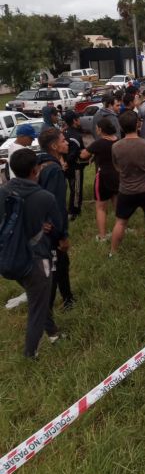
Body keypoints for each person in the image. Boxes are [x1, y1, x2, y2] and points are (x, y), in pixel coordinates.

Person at [0, 148, 63, 359]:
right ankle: (30, 354)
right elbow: (58, 226)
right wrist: (52, 231)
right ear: (36, 170)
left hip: (8, 257)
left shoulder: (3, 191)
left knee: (39, 297)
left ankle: (53, 333)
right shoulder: (44, 197)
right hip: (35, 258)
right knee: (37, 306)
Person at [110, 110, 145, 256]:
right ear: (138, 124)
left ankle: (113, 253)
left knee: (120, 222)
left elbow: (117, 166)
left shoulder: (116, 146)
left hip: (126, 190)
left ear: (121, 127)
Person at [38, 127, 74, 311]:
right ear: (54, 146)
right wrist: (61, 235)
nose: (67, 142)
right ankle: (46, 316)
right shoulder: (54, 171)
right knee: (54, 267)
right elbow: (55, 205)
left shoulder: (40, 164)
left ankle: (68, 298)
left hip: (41, 226)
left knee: (61, 263)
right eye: (63, 140)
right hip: (51, 229)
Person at [80, 116, 119, 241]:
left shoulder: (99, 143)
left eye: (97, 128)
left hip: (103, 176)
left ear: (101, 129)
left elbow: (84, 155)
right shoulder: (117, 140)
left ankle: (102, 236)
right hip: (117, 175)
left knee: (101, 207)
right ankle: (122, 227)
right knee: (117, 203)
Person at [63, 110, 86, 220]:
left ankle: (72, 209)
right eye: (78, 118)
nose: (80, 120)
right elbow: (74, 153)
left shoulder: (64, 133)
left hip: (67, 166)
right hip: (75, 167)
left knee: (72, 188)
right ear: (74, 121)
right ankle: (74, 212)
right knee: (76, 189)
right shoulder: (75, 135)